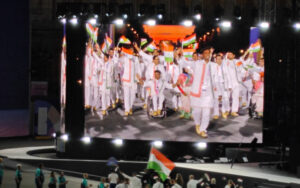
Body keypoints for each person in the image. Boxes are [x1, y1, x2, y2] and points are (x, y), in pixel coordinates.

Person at [189, 48, 215, 138]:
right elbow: (185, 63)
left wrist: (219, 93)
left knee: (206, 113)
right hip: (197, 92)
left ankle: (203, 129)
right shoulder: (197, 64)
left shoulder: (213, 65)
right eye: (205, 53)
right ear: (202, 55)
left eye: (209, 53)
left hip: (208, 94)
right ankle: (197, 124)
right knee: (197, 112)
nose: (207, 54)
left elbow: (217, 79)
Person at [120, 48, 142, 116]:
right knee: (126, 95)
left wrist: (139, 78)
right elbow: (118, 61)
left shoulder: (135, 59)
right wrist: (121, 53)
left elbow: (138, 69)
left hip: (133, 80)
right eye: (130, 50)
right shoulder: (124, 58)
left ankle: (130, 107)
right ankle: (127, 109)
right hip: (126, 79)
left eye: (132, 50)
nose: (131, 51)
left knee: (133, 95)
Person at [222, 52, 241, 117]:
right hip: (228, 83)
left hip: (236, 82)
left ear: (234, 55)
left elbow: (242, 67)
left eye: (230, 54)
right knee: (226, 97)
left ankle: (234, 111)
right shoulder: (225, 62)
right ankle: (226, 110)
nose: (229, 55)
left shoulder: (236, 62)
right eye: (228, 54)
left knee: (235, 97)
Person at [211, 54, 229, 119]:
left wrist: (229, 86)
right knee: (216, 99)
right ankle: (216, 113)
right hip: (215, 84)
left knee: (225, 98)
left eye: (220, 59)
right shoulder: (213, 66)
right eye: (217, 59)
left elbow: (228, 77)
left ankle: (223, 111)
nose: (218, 60)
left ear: (221, 60)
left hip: (223, 84)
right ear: (215, 60)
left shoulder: (224, 67)